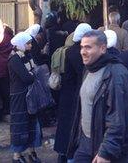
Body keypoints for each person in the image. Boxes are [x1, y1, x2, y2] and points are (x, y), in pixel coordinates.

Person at [67, 30, 128, 162]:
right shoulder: (88, 69)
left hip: (106, 146)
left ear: (103, 48)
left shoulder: (116, 74)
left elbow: (117, 117)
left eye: (88, 47)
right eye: (81, 47)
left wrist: (106, 151)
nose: (82, 52)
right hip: (86, 143)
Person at [54, 23, 92, 163]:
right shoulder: (77, 52)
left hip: (68, 93)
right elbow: (82, 72)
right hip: (74, 95)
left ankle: (63, 154)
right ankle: (68, 154)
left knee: (66, 126)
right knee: (71, 126)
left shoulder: (70, 50)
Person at [8, 32, 42, 163]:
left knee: (32, 123)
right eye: (28, 43)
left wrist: (32, 75)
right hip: (19, 97)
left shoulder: (27, 55)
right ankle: (17, 155)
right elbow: (27, 77)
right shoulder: (14, 59)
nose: (30, 45)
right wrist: (33, 75)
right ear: (20, 44)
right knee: (20, 125)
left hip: (29, 95)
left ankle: (31, 152)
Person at [0, 19, 14, 120]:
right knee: (1, 92)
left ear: (2, 27)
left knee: (6, 92)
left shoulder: (9, 39)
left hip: (5, 69)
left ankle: (7, 111)